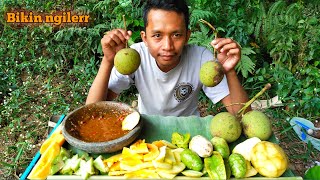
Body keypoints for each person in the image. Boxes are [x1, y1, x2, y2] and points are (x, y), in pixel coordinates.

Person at [86, 0, 249, 116]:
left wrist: (230, 72)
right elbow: (92, 110)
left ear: (187, 36)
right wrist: (108, 61)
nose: (167, 46)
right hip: (148, 128)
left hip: (189, 132)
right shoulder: (135, 56)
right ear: (144, 38)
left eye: (176, 35)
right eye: (157, 35)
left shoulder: (202, 59)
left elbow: (241, 115)